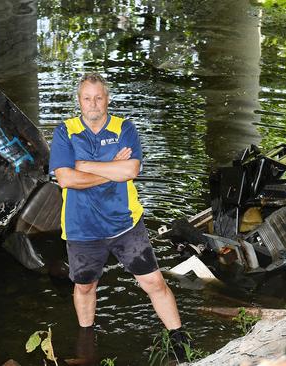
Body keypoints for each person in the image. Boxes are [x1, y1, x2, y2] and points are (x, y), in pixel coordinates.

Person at [49, 72, 189, 358]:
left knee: (154, 282)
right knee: (85, 287)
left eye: (98, 98)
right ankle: (87, 342)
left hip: (125, 223)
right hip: (82, 228)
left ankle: (179, 340)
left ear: (107, 99)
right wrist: (109, 170)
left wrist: (84, 165)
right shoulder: (65, 131)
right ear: (79, 101)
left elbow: (130, 171)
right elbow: (65, 179)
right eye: (87, 98)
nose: (93, 104)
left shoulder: (124, 128)